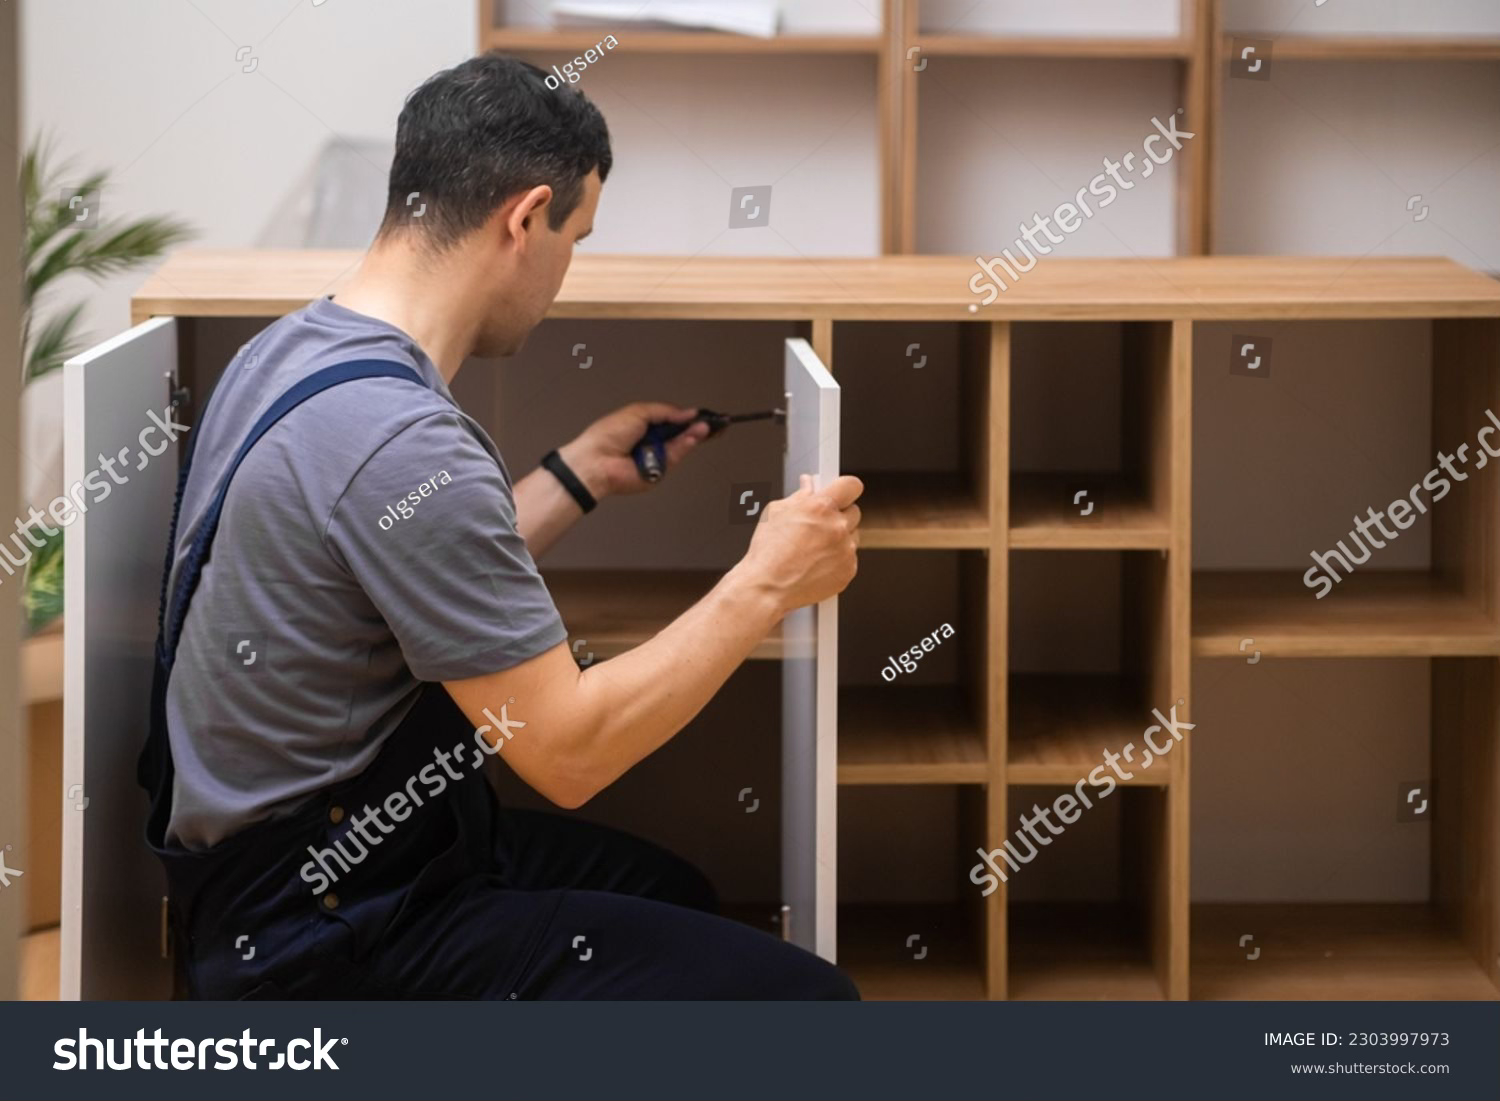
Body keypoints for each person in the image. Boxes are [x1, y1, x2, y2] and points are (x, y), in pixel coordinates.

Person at [138, 53, 863, 1000]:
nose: (568, 272)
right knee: (816, 1003)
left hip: (301, 873)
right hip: (326, 936)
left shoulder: (289, 352)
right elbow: (571, 751)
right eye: (577, 237)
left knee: (674, 892)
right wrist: (766, 581)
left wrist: (574, 476)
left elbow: (403, 560)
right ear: (525, 219)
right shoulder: (405, 441)